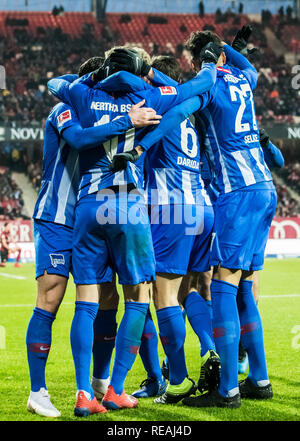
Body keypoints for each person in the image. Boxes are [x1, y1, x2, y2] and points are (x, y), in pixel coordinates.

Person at [48, 44, 219, 410]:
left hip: (89, 205)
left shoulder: (83, 94)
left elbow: (54, 83)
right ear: (141, 70)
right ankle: (117, 389)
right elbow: (199, 85)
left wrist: (95, 76)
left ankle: (84, 393)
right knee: (139, 298)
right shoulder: (151, 96)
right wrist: (206, 62)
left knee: (86, 302)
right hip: (128, 205)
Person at [26, 56, 160, 418]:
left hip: (92, 212)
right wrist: (124, 118)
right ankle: (37, 391)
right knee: (51, 297)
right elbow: (81, 140)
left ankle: (100, 383)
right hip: (58, 216)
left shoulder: (102, 107)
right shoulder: (66, 111)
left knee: (107, 298)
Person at [179, 29, 277, 408]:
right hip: (265, 187)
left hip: (235, 194)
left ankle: (228, 390)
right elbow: (249, 67)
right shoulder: (243, 80)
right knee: (245, 286)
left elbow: (188, 94)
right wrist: (229, 52)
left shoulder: (209, 84)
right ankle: (259, 378)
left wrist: (205, 64)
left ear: (199, 57)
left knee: (223, 286)